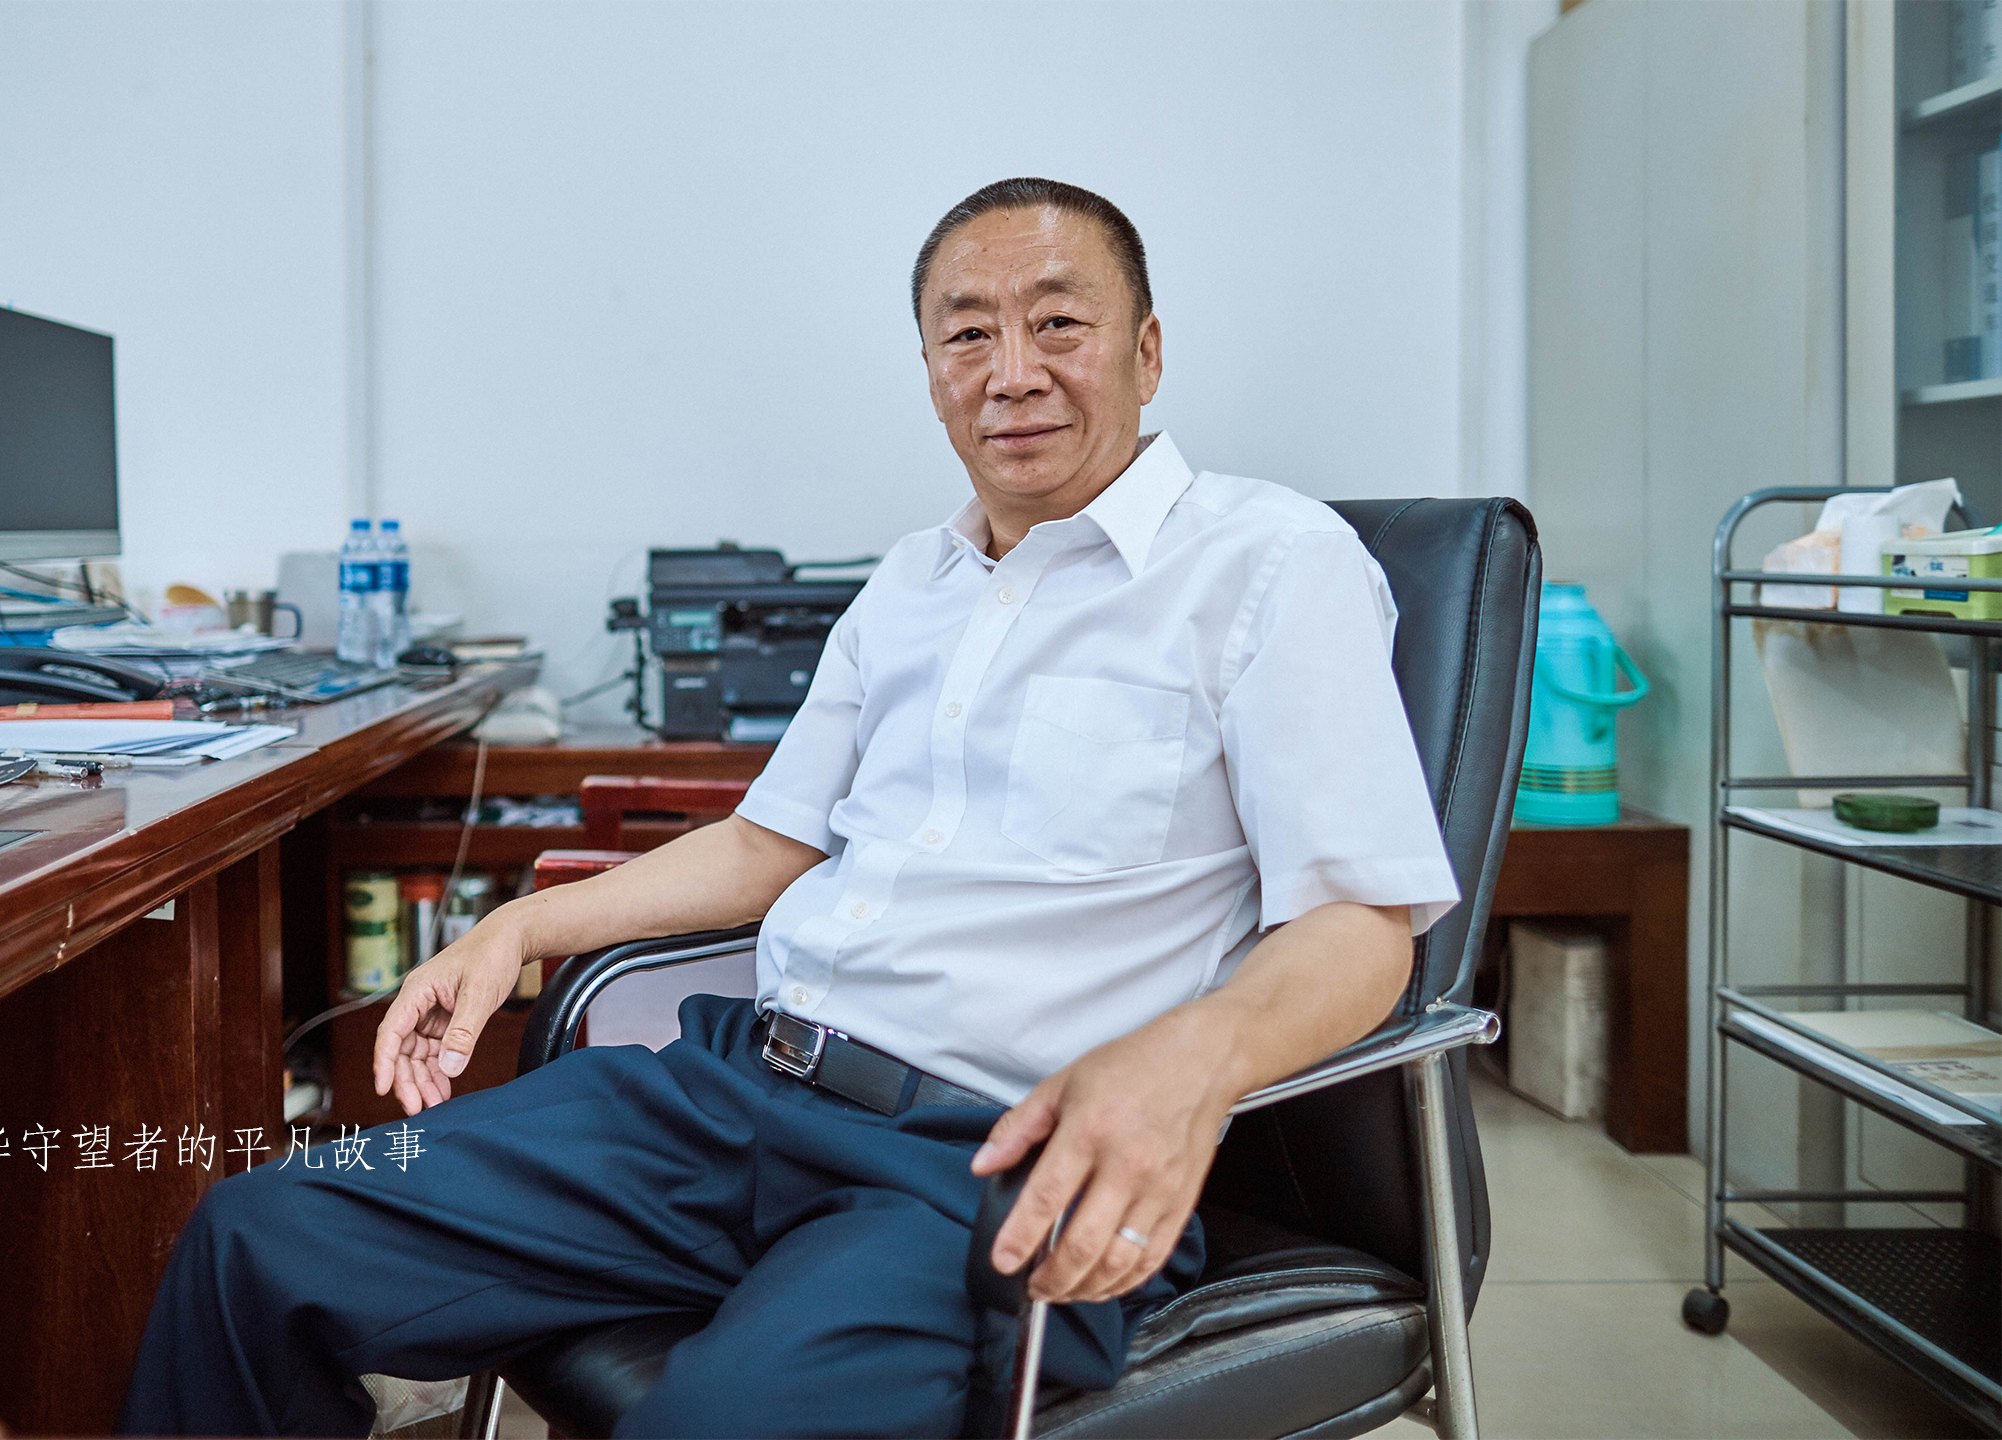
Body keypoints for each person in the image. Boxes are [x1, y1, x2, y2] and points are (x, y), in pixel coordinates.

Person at [120, 177, 1459, 1439]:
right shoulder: (911, 583)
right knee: (259, 1238)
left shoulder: (1270, 565)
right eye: (968, 334)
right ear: (930, 371)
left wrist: (1192, 1061)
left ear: (1148, 352)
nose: (1012, 371)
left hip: (978, 1164)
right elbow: (775, 841)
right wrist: (521, 930)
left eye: (1059, 323)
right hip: (737, 1091)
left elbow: (1360, 927)